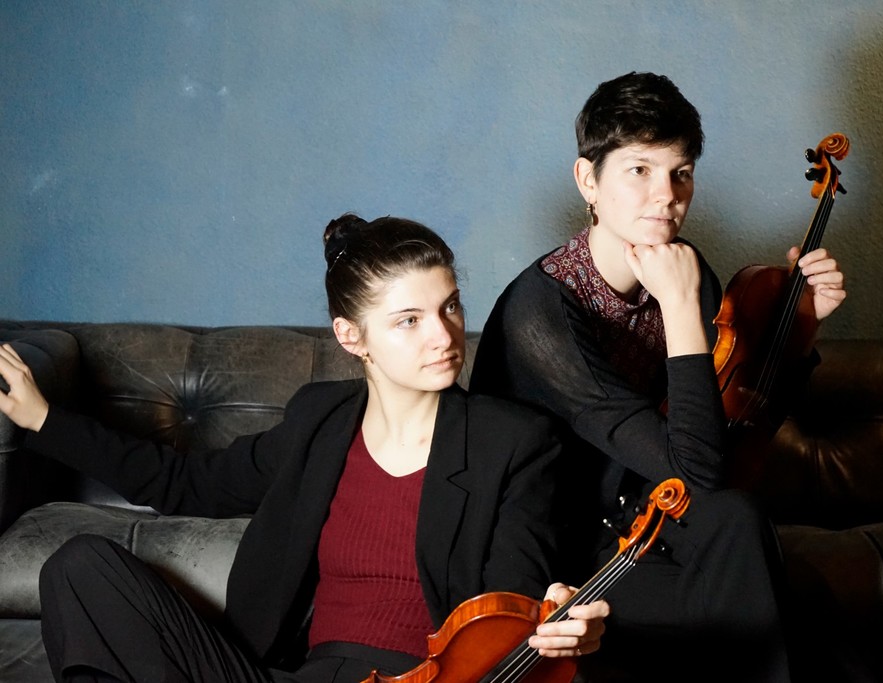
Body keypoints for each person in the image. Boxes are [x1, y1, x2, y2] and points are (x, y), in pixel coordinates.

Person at [0, 213, 609, 683]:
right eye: (409, 320)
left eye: (449, 306)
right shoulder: (318, 421)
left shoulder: (514, 441)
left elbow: (511, 601)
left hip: (418, 679)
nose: (444, 335)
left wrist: (553, 620)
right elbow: (185, 483)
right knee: (80, 567)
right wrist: (44, 419)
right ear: (351, 336)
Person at [470, 72, 847, 682]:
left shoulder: (684, 271)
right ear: (588, 181)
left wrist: (802, 328)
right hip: (559, 554)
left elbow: (729, 439)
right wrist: (678, 306)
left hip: (642, 520)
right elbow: (697, 470)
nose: (666, 195)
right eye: (639, 170)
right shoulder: (540, 312)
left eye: (681, 172)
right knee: (776, 616)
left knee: (737, 520)